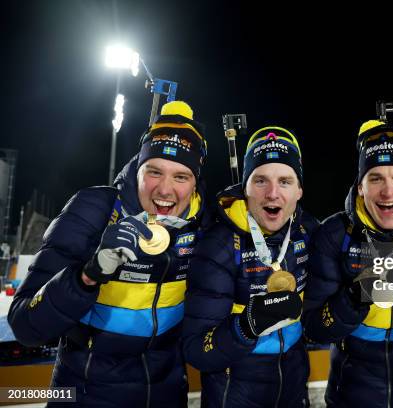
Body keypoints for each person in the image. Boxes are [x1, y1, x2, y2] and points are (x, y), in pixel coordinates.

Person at [9, 101, 211, 407]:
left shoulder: (204, 224)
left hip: (166, 393)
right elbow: (25, 326)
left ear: (196, 183)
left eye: (181, 177)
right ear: (138, 169)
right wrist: (86, 276)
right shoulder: (94, 209)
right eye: (154, 172)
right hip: (86, 393)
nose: (165, 191)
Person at [302, 120, 393, 408]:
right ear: (360, 187)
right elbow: (314, 329)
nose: (387, 191)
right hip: (353, 395)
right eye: (375, 178)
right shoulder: (335, 235)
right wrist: (355, 297)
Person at [182, 126, 318, 407]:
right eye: (259, 181)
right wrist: (246, 327)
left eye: (285, 181)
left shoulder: (308, 232)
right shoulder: (218, 245)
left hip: (293, 379)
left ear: (299, 190)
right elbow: (196, 351)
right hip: (235, 388)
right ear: (244, 188)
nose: (272, 193)